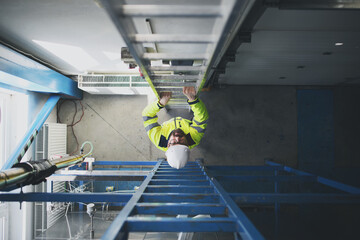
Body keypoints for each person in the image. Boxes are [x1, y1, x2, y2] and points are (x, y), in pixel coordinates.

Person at [142, 87, 208, 169]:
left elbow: (147, 116)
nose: (177, 137)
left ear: (168, 146)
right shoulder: (194, 138)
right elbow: (202, 117)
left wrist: (160, 103)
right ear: (188, 145)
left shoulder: (158, 139)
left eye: (173, 142)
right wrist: (193, 100)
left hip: (168, 125)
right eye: (182, 142)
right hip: (185, 123)